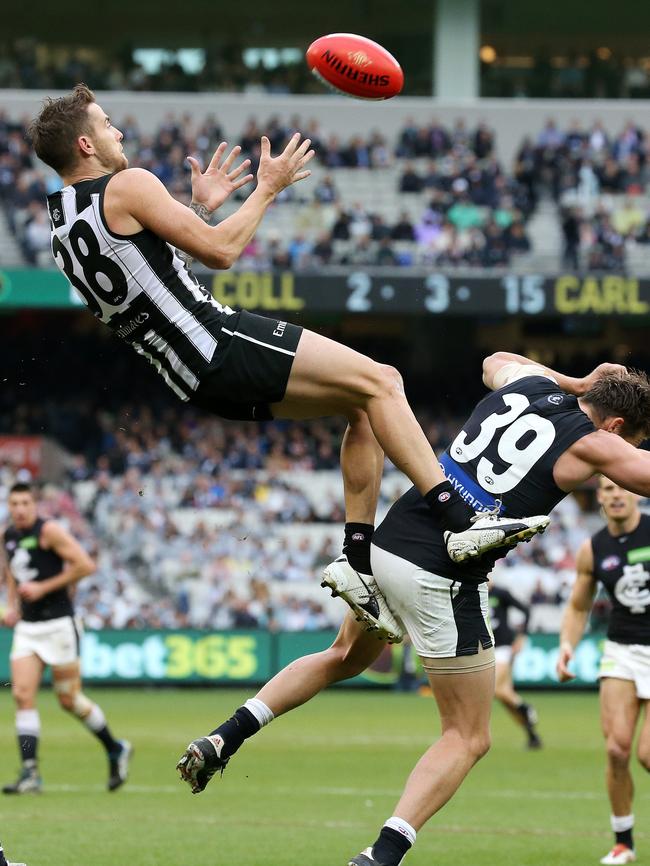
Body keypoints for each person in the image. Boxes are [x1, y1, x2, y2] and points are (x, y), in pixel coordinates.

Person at [28, 85, 547, 639]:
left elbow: (144, 268)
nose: (119, 133)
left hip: (186, 375)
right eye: (108, 125)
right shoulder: (128, 184)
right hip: (216, 341)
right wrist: (267, 188)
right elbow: (222, 253)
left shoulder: (61, 223)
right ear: (86, 143)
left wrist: (199, 208)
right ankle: (458, 517)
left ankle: (357, 560)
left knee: (364, 406)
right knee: (384, 380)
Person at [177, 354, 650, 866]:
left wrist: (576, 379)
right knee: (468, 736)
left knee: (342, 657)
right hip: (443, 573)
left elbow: (492, 360)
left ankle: (225, 736)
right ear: (618, 425)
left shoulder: (530, 384)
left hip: (390, 543)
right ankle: (382, 855)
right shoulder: (594, 442)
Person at [2, 482, 132, 794]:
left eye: (25, 503)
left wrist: (42, 589)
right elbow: (11, 574)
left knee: (68, 700)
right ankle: (30, 773)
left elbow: (86, 565)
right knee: (22, 694)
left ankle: (115, 748)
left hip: (59, 624)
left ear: (34, 506)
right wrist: (12, 606)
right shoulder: (8, 536)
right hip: (28, 628)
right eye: (14, 503)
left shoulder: (50, 532)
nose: (19, 509)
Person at [558, 477, 650, 865]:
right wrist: (567, 645)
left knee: (647, 755)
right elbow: (579, 607)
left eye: (621, 488)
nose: (616, 495)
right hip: (621, 649)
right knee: (616, 749)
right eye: (608, 489)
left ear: (635, 491)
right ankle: (623, 842)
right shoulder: (593, 548)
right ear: (599, 497)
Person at [489, 580, 542, 748]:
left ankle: (526, 708)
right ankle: (532, 736)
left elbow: (526, 610)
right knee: (505, 695)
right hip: (486, 648)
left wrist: (522, 636)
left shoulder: (500, 592)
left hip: (503, 647)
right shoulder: (474, 591)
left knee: (495, 688)